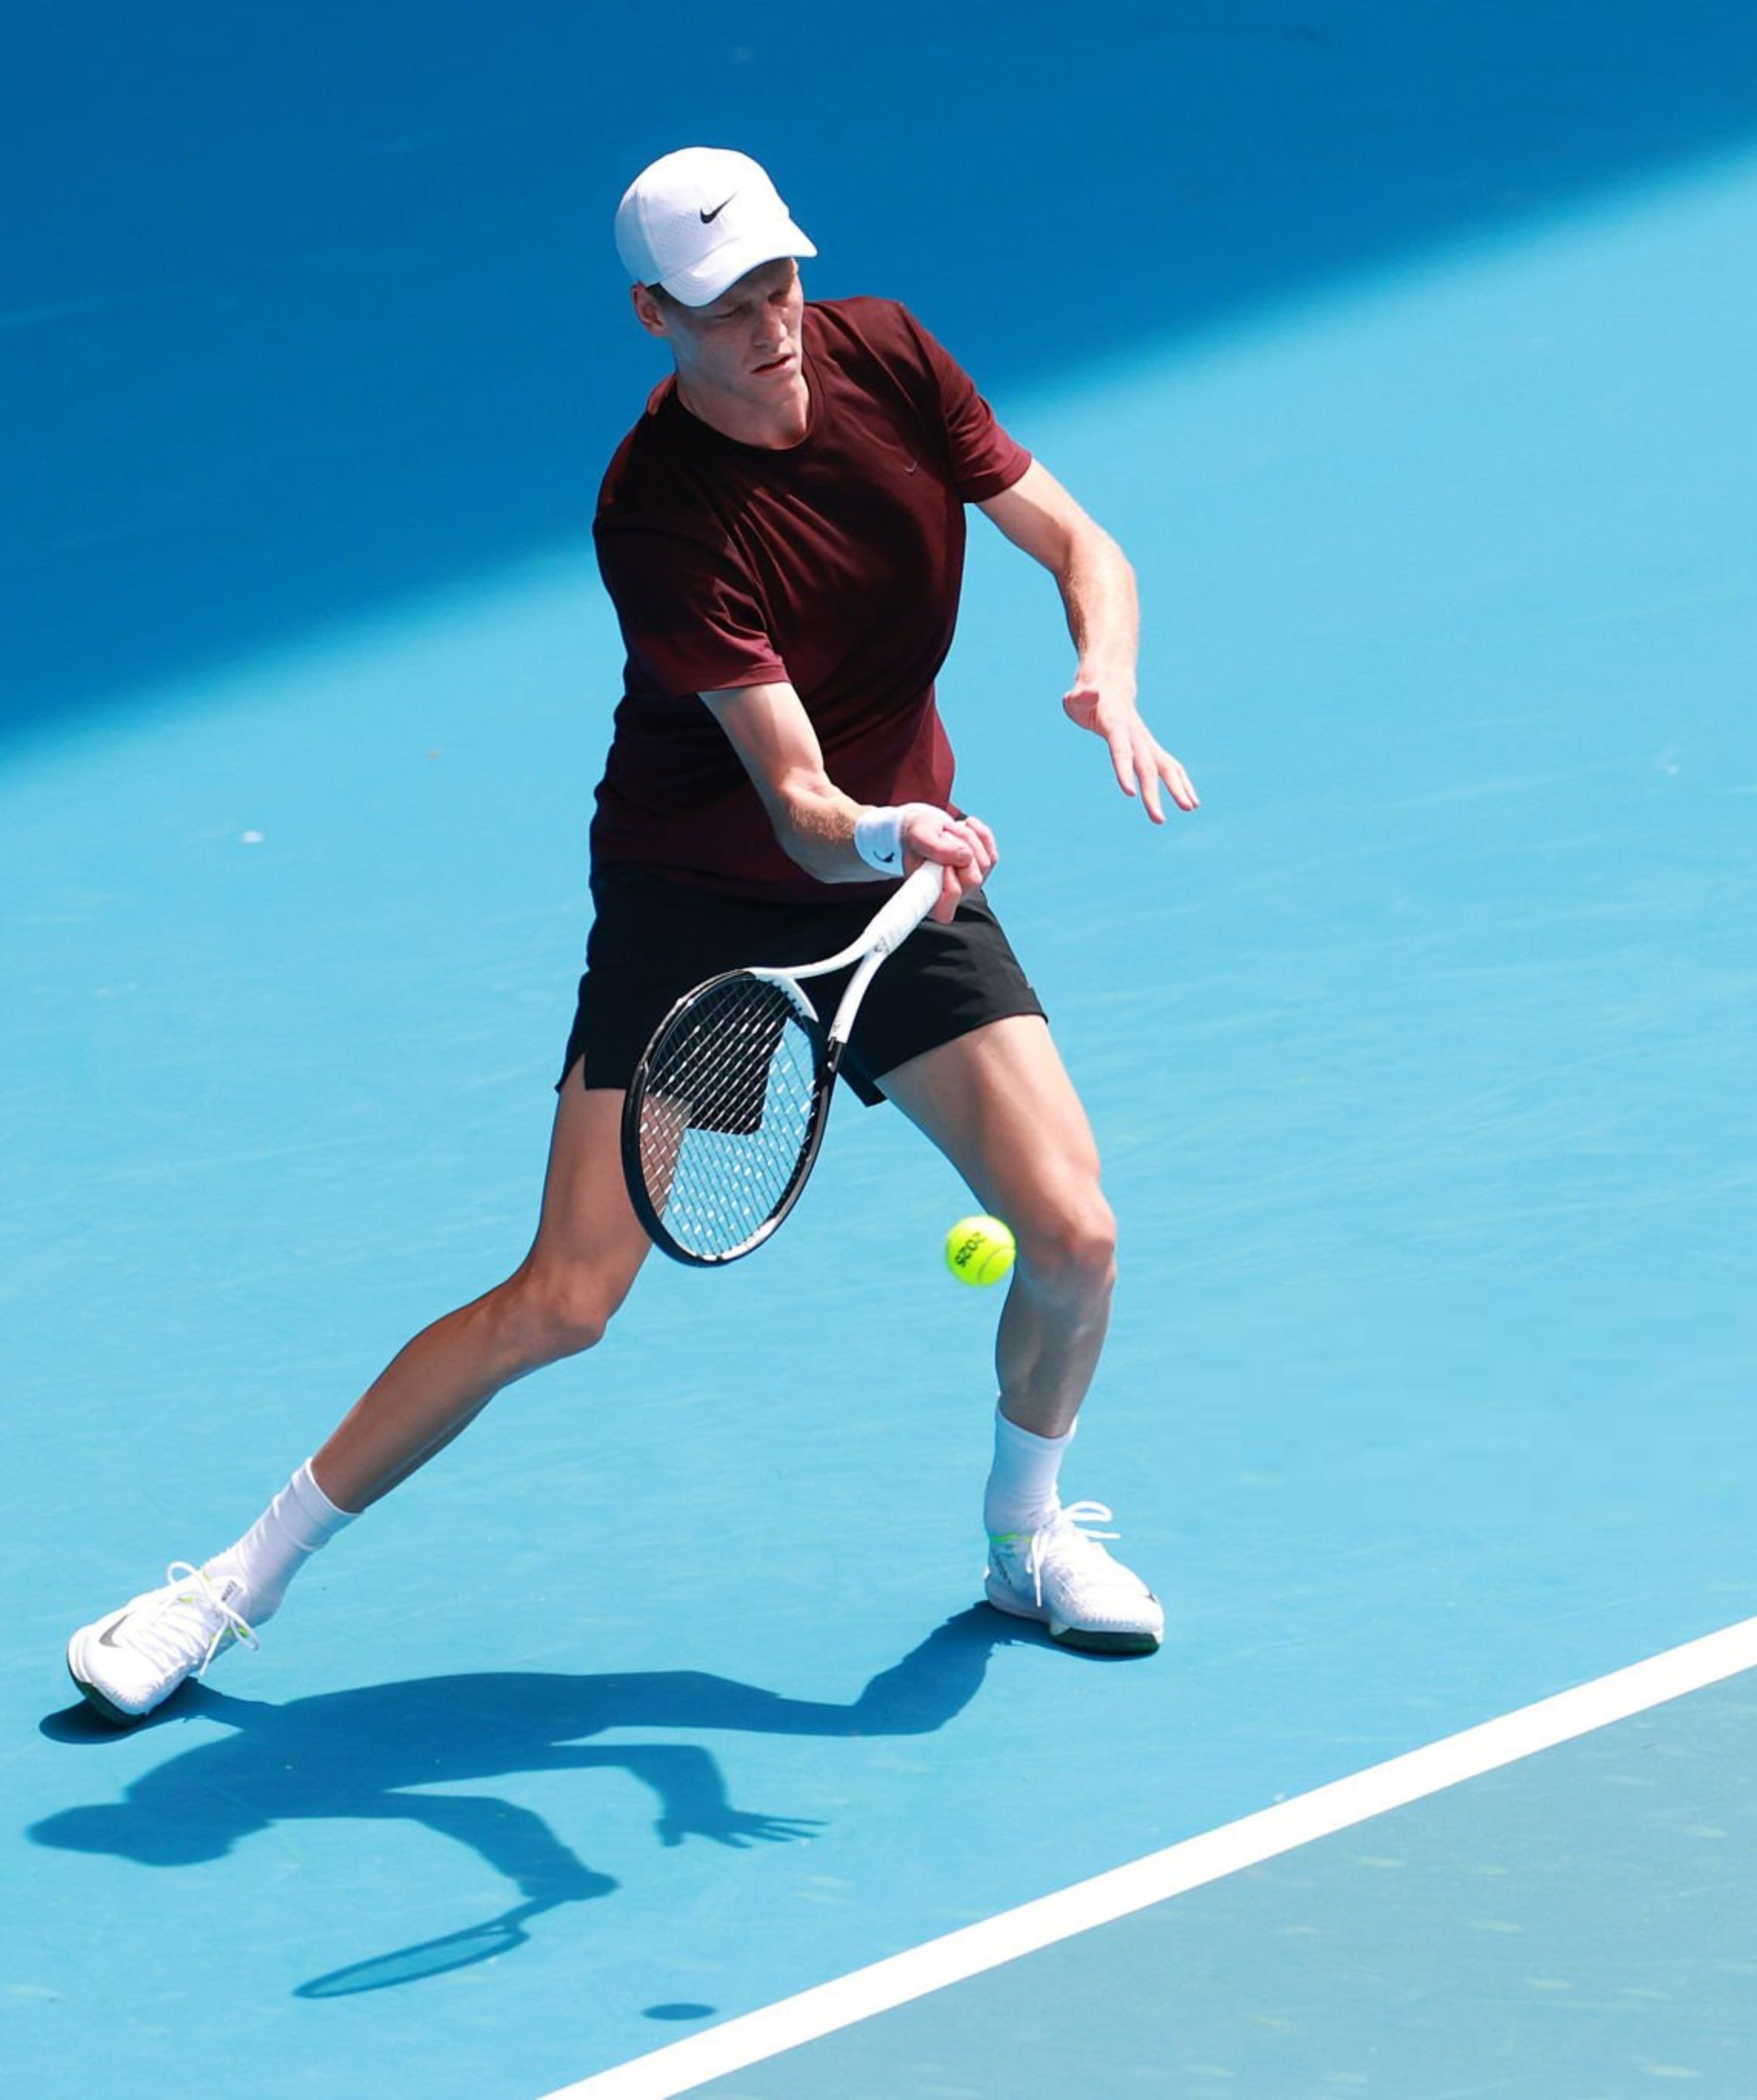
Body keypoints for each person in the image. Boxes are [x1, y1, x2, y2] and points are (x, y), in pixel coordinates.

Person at [65, 146, 1199, 1724]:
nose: (770, 322)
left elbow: (1086, 550)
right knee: (567, 1296)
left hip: (898, 882)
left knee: (1074, 1238)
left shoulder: (887, 350)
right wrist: (892, 828)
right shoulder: (655, 513)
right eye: (726, 302)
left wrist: (1105, 676)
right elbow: (796, 795)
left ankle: (1022, 1539)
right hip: (707, 898)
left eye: (781, 280)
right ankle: (219, 1594)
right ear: (652, 314)